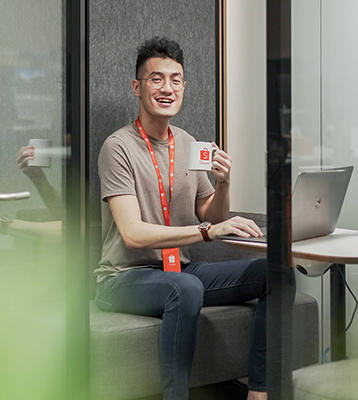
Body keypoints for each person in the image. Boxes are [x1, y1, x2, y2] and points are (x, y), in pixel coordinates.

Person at [95, 36, 272, 400]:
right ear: (137, 86)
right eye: (156, 79)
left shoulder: (187, 142)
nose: (167, 88)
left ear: (184, 87)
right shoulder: (118, 147)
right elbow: (132, 234)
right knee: (186, 288)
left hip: (178, 271)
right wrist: (208, 231)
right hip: (124, 278)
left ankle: (259, 390)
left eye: (176, 80)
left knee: (273, 272)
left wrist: (223, 185)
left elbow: (211, 213)